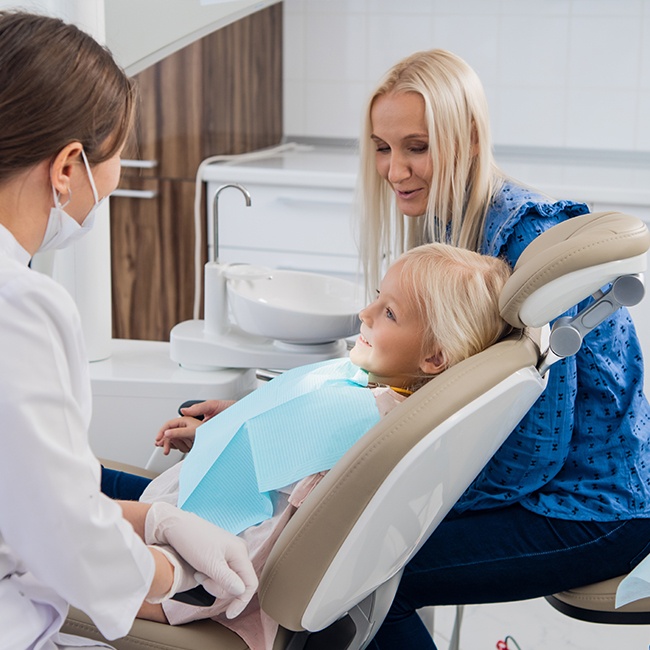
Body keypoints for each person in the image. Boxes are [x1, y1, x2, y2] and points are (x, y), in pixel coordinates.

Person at [355, 48, 650, 649]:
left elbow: (538, 448)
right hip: (550, 490)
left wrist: (419, 501)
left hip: (594, 507)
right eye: (383, 148)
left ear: (466, 139)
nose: (395, 170)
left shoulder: (528, 244)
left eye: (417, 146)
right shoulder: (454, 227)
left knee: (365, 583)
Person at [0, 11, 258, 649]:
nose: (113, 179)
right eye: (114, 157)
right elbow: (61, 533)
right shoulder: (20, 307)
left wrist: (152, 517)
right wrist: (179, 575)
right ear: (67, 167)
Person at [134, 242, 513, 650]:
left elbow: (255, 550)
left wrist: (156, 592)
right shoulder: (369, 390)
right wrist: (227, 425)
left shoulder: (356, 436)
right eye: (376, 298)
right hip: (185, 534)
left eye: (389, 313)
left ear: (435, 357)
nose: (364, 314)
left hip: (195, 578)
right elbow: (286, 426)